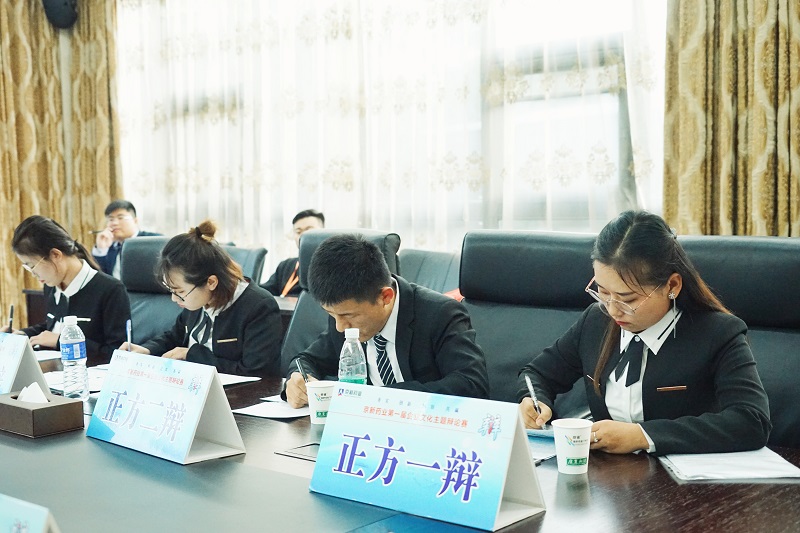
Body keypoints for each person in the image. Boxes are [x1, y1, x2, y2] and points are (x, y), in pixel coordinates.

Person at [518, 210, 771, 455]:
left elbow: (752, 420)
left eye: (628, 299)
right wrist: (533, 401)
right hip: (607, 474)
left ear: (672, 286)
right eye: (603, 292)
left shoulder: (718, 333)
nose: (613, 310)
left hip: (682, 478)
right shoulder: (596, 321)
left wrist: (641, 436)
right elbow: (537, 374)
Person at [284, 233, 489, 408]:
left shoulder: (439, 314)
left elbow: (471, 384)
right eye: (331, 315)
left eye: (348, 316)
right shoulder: (343, 316)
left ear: (385, 297)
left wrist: (381, 397)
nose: (340, 327)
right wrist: (298, 380)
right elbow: (305, 360)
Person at [124, 220, 283, 377]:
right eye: (171, 290)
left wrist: (192, 355)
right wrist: (148, 349)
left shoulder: (258, 306)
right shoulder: (197, 300)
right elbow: (175, 336)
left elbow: (255, 371)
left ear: (211, 282)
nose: (174, 298)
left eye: (179, 291)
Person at [4, 215, 130, 366]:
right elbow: (53, 325)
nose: (33, 273)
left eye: (32, 266)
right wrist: (22, 335)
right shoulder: (52, 285)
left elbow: (117, 353)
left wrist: (61, 341)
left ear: (56, 255)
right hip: (55, 371)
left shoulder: (111, 289)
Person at [261, 209, 325, 297]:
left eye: (309, 230)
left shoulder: (329, 268)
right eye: (298, 232)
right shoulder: (286, 265)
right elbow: (264, 292)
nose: (302, 236)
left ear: (323, 232)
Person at [92, 199, 161, 278]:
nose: (114, 223)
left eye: (120, 218)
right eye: (111, 219)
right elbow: (101, 278)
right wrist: (101, 250)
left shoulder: (154, 241)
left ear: (135, 221)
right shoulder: (110, 247)